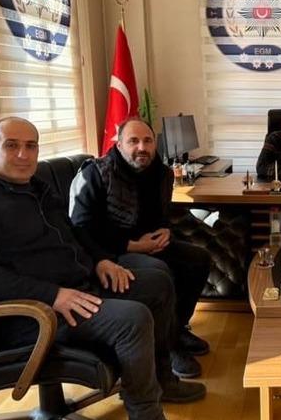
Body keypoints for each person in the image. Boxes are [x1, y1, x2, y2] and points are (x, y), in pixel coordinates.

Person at [0, 117, 206, 420]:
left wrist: (100, 261)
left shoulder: (37, 189)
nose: (23, 154)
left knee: (157, 282)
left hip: (76, 287)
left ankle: (160, 380)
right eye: (12, 146)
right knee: (132, 319)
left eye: (30, 146)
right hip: (27, 314)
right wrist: (52, 295)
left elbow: (74, 233)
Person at [69, 118, 211, 379]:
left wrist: (165, 230)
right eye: (133, 141)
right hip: (108, 253)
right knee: (159, 271)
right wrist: (132, 245)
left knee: (198, 259)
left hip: (149, 243)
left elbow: (163, 214)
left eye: (147, 141)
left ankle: (176, 328)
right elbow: (81, 229)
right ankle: (168, 346)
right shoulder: (95, 173)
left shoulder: (163, 173)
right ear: (119, 144)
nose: (141, 148)